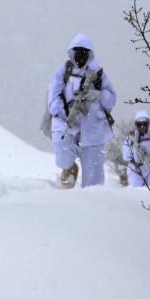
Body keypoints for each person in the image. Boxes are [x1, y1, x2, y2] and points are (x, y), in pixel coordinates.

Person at [48, 33, 116, 188]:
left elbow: (111, 99)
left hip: (92, 124)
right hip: (67, 121)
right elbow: (53, 97)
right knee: (62, 148)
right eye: (77, 51)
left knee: (93, 178)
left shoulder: (98, 74)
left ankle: (90, 205)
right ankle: (70, 168)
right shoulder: (64, 70)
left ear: (89, 53)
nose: (80, 55)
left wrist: (97, 94)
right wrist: (66, 109)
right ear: (72, 52)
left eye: (84, 52)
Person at [122, 111, 150, 187]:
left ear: (148, 123)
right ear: (136, 125)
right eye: (139, 124)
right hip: (136, 171)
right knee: (136, 194)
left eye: (144, 124)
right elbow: (125, 156)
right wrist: (136, 158)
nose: (142, 126)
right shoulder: (131, 137)